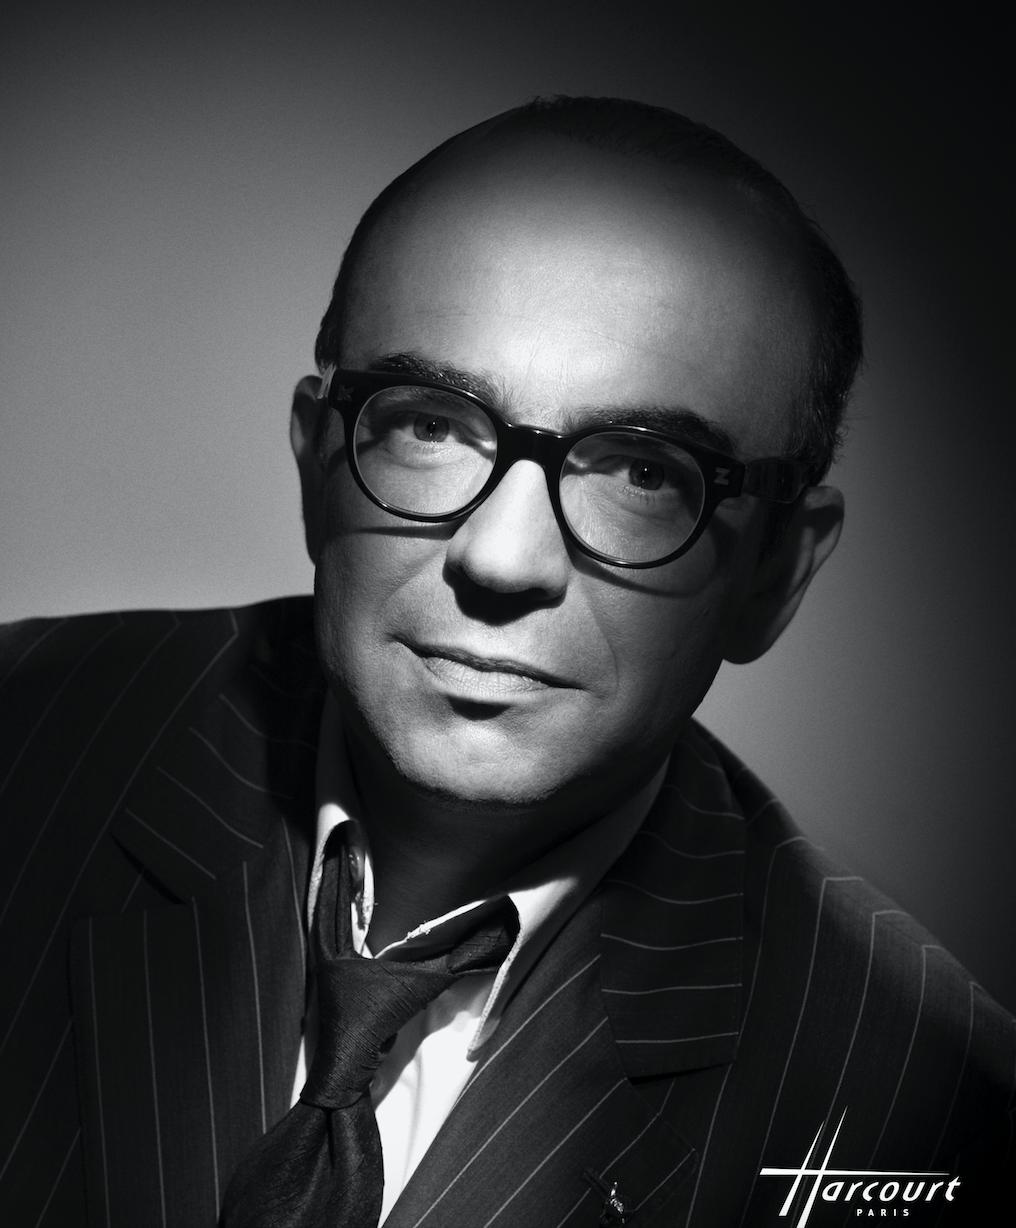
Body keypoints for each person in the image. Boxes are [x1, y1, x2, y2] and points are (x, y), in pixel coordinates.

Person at [0, 96, 1011, 1228]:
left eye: (644, 472)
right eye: (430, 425)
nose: (501, 557)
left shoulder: (928, 1106)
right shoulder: (25, 743)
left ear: (777, 570)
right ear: (316, 460)